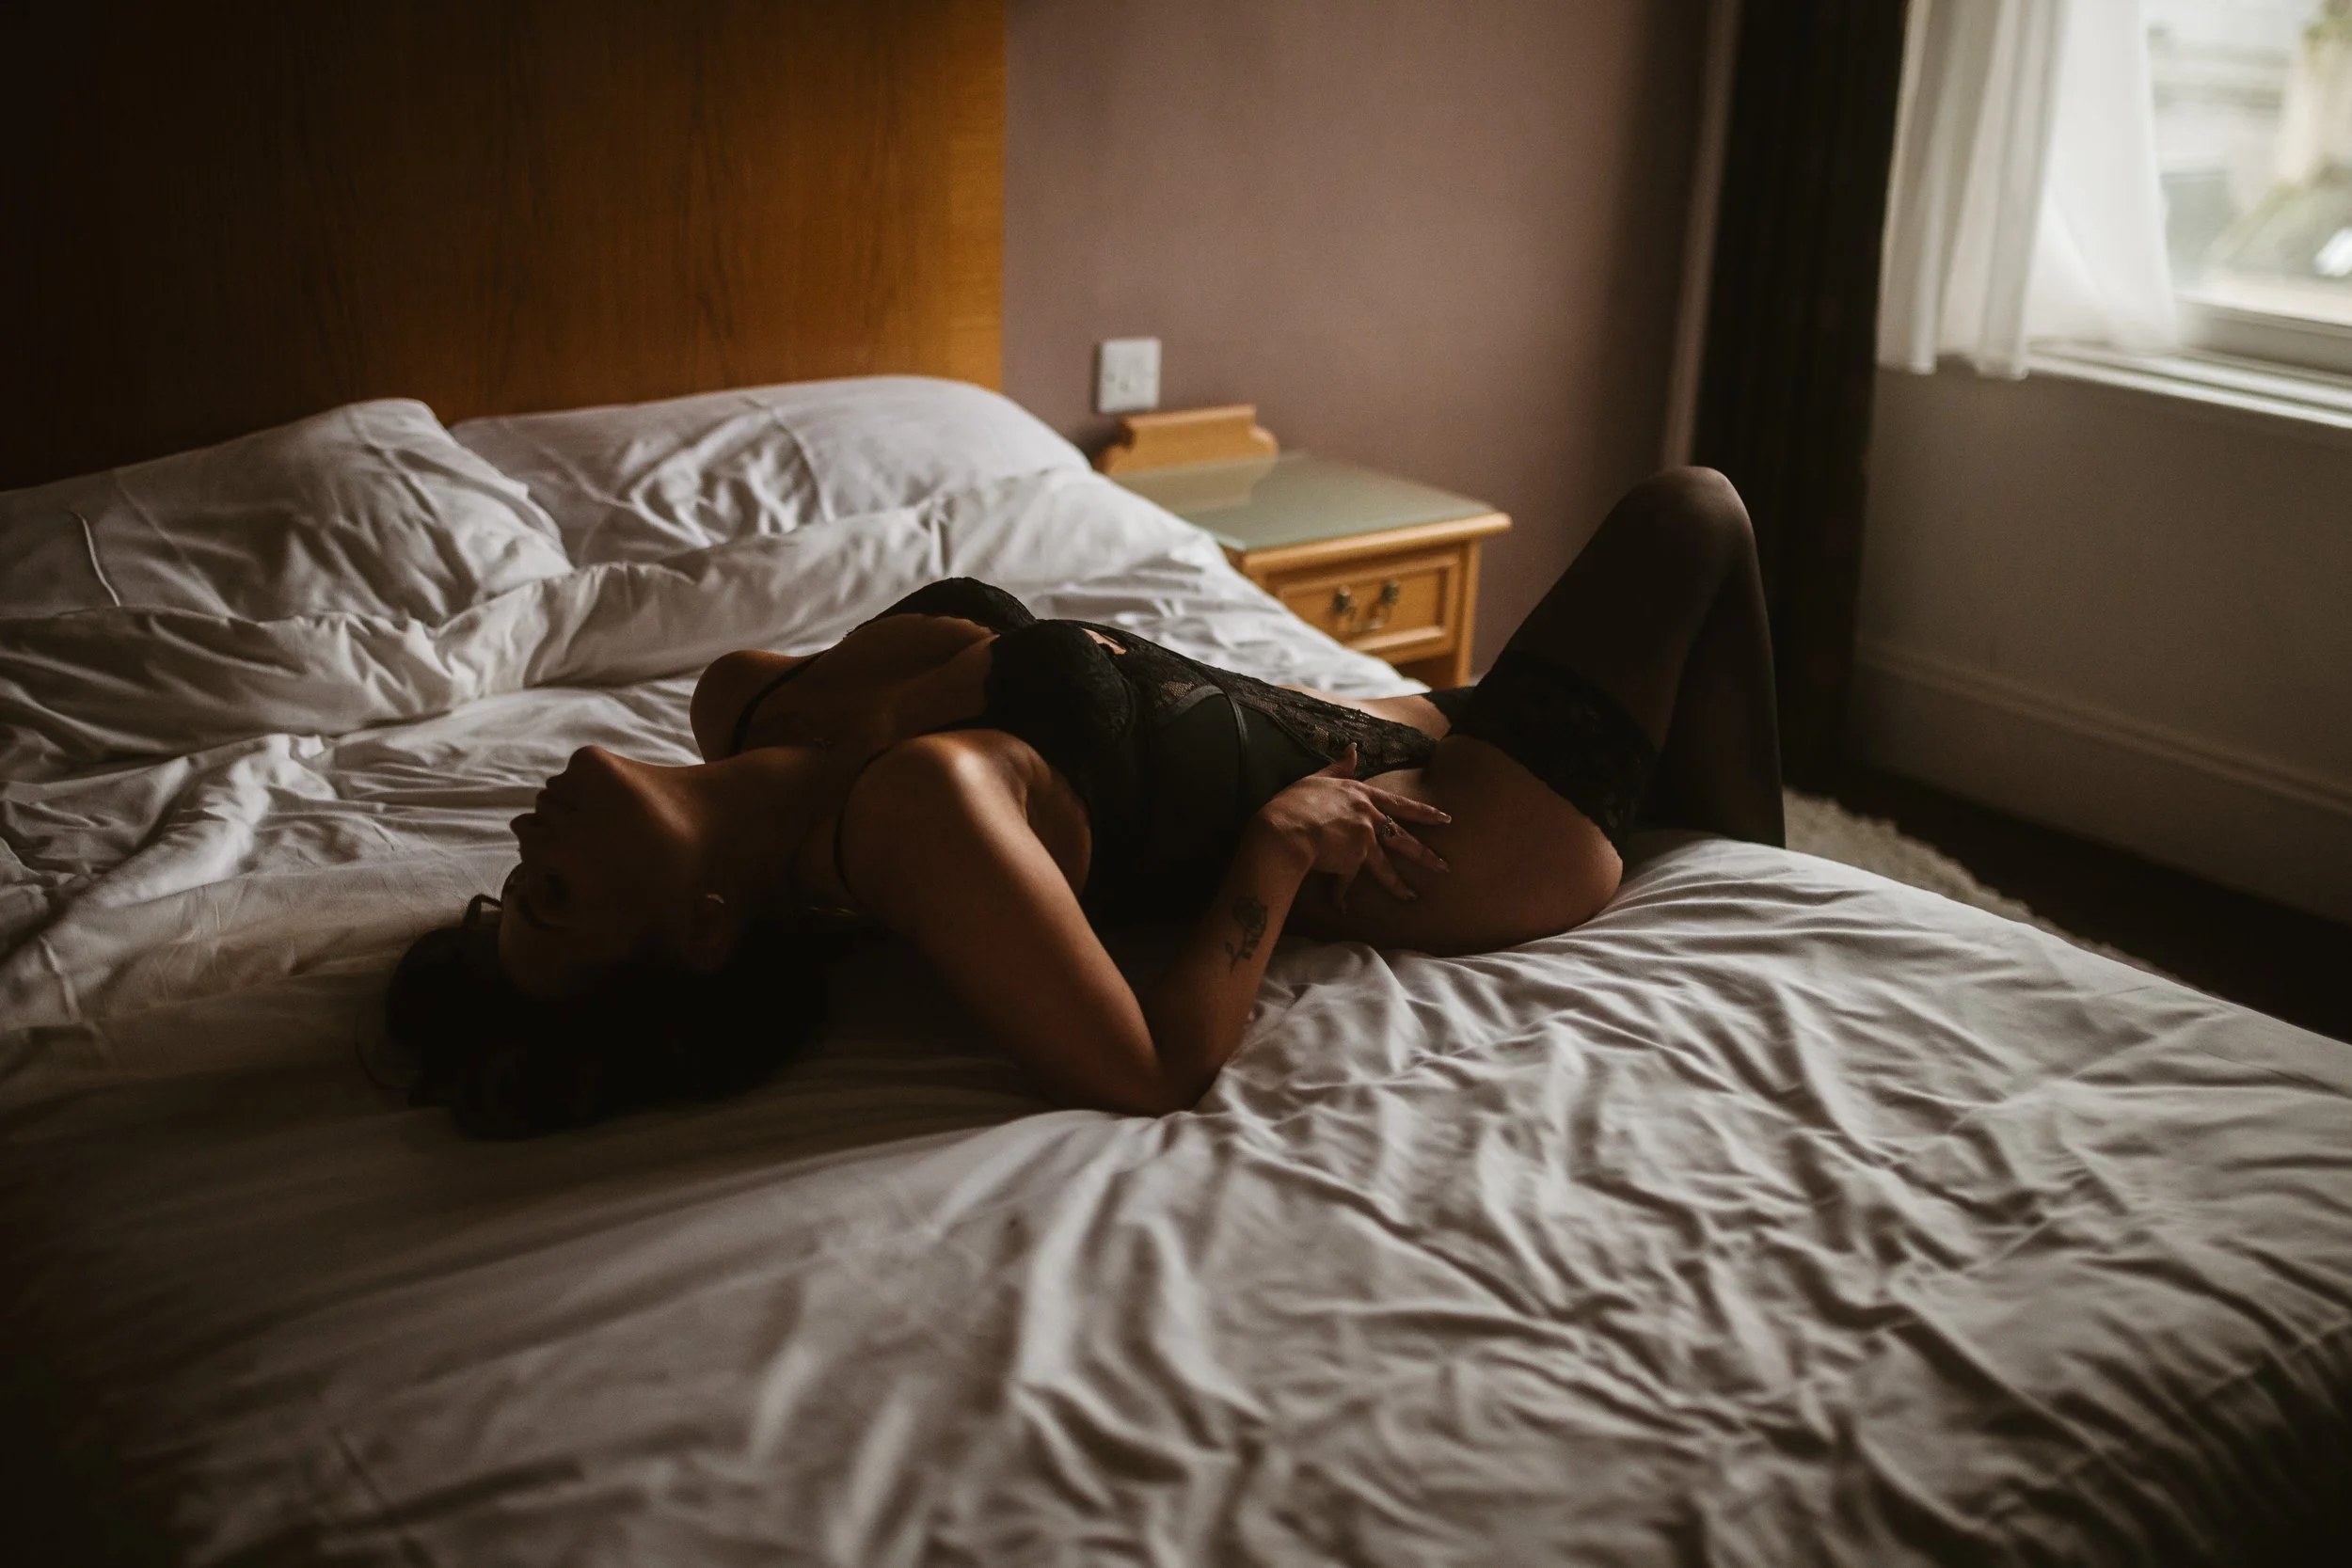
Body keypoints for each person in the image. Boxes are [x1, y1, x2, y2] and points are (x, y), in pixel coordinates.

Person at [382, 467, 1784, 1132]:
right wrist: (1279, 852)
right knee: (1695, 514)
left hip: (1400, 723)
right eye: (555, 896)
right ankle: (1764, 899)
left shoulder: (741, 698)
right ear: (701, 927)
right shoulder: (910, 818)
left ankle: (1755, 875)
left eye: (516, 879)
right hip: (1462, 834)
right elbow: (1146, 1070)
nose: (526, 837)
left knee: (1668, 626)